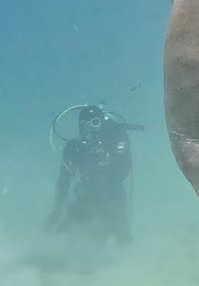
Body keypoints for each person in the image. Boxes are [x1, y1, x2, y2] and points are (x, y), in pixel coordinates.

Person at [45, 104, 137, 245]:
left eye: (95, 123)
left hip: (114, 197)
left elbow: (125, 169)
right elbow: (64, 180)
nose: (90, 129)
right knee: (61, 236)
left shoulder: (116, 138)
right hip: (87, 197)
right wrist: (57, 210)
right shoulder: (74, 148)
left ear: (103, 122)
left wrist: (107, 159)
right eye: (85, 125)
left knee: (121, 239)